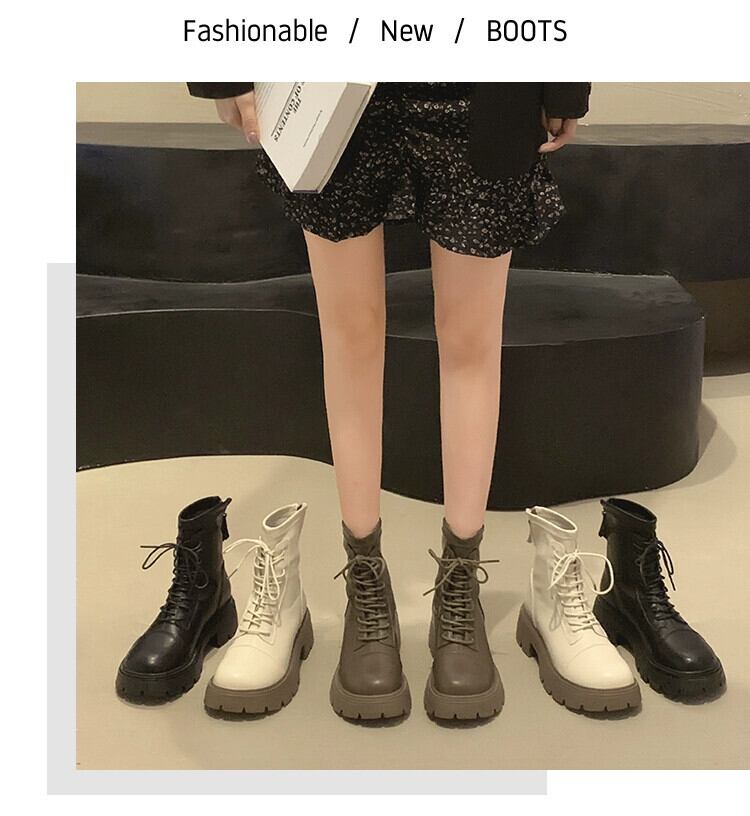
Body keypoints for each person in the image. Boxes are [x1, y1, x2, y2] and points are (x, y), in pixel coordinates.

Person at [187, 81, 590, 721]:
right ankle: (366, 583)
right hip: (327, 72)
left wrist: (566, 78)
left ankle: (459, 583)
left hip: (482, 73)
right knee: (348, 334)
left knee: (472, 338)